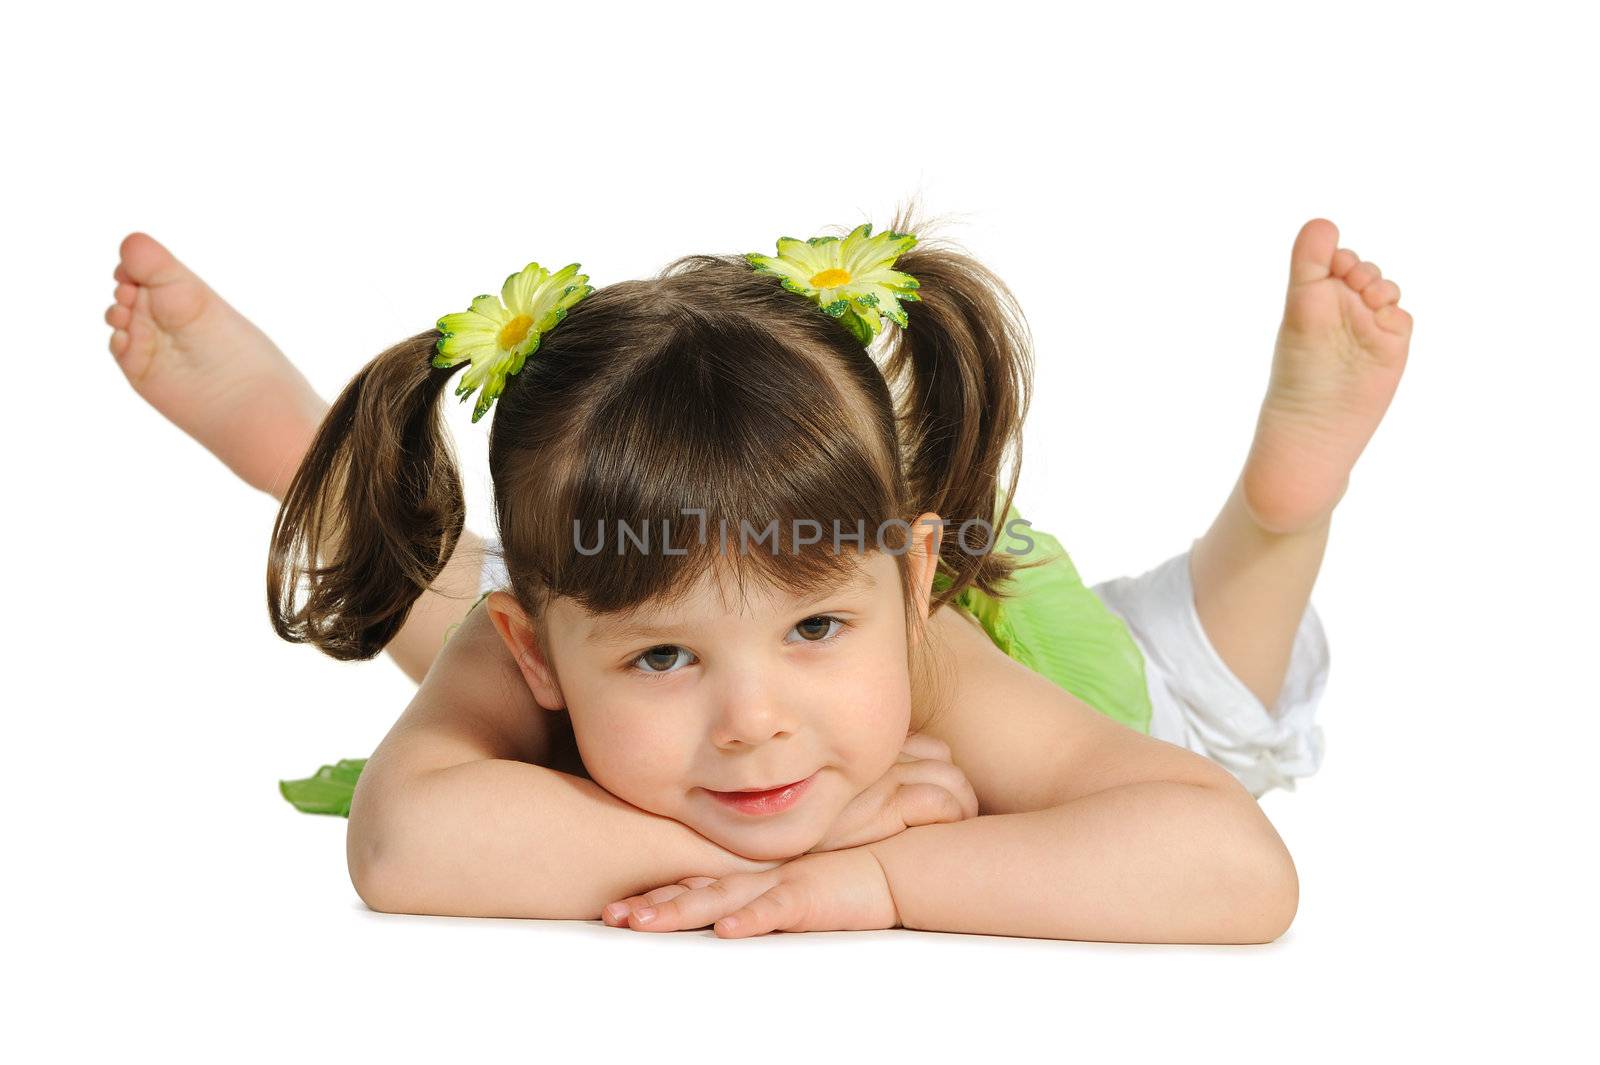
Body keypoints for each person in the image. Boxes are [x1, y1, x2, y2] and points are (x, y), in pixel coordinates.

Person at [105, 204, 1412, 942]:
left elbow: (1236, 868)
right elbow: (404, 835)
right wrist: (816, 825)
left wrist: (875, 881)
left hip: (1074, 664)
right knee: (501, 618)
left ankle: (1280, 517)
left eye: (814, 631)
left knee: (1198, 691)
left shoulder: (922, 631)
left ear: (898, 589)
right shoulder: (579, 614)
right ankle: (324, 470)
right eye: (667, 657)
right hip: (624, 590)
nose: (756, 720)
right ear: (539, 652)